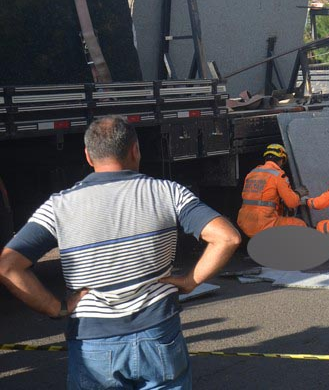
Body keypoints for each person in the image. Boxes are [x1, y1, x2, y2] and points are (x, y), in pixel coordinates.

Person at [0, 116, 241, 389]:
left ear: (88, 156)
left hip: (94, 342)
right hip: (158, 334)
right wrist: (189, 281)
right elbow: (227, 237)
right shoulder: (168, 192)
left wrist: (56, 307)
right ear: (136, 150)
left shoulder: (58, 207)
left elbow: (8, 265)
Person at [236, 144, 307, 238]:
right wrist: (298, 193)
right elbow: (292, 203)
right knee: (300, 225)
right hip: (263, 224)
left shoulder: (252, 173)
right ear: (282, 160)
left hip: (244, 222)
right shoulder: (278, 175)